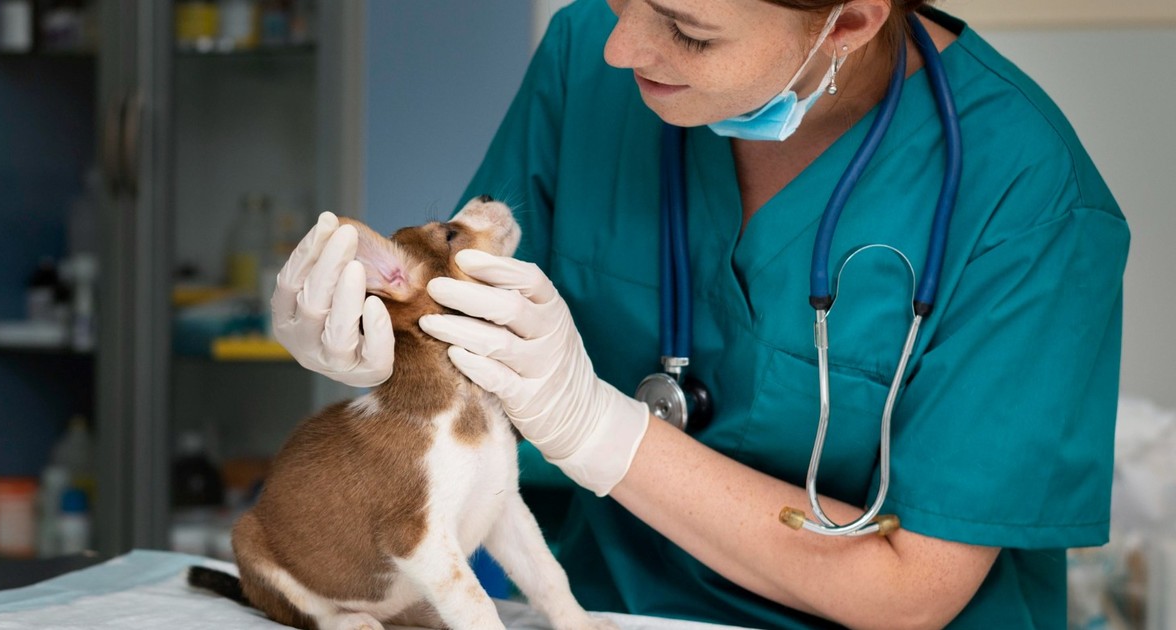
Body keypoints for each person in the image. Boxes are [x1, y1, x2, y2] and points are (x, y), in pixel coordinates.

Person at [271, 0, 1130, 627]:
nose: (621, 46)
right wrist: (374, 330)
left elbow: (913, 589)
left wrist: (598, 427)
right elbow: (465, 299)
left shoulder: (1028, 199)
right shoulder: (587, 56)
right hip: (604, 611)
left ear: (848, 22)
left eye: (689, 30)